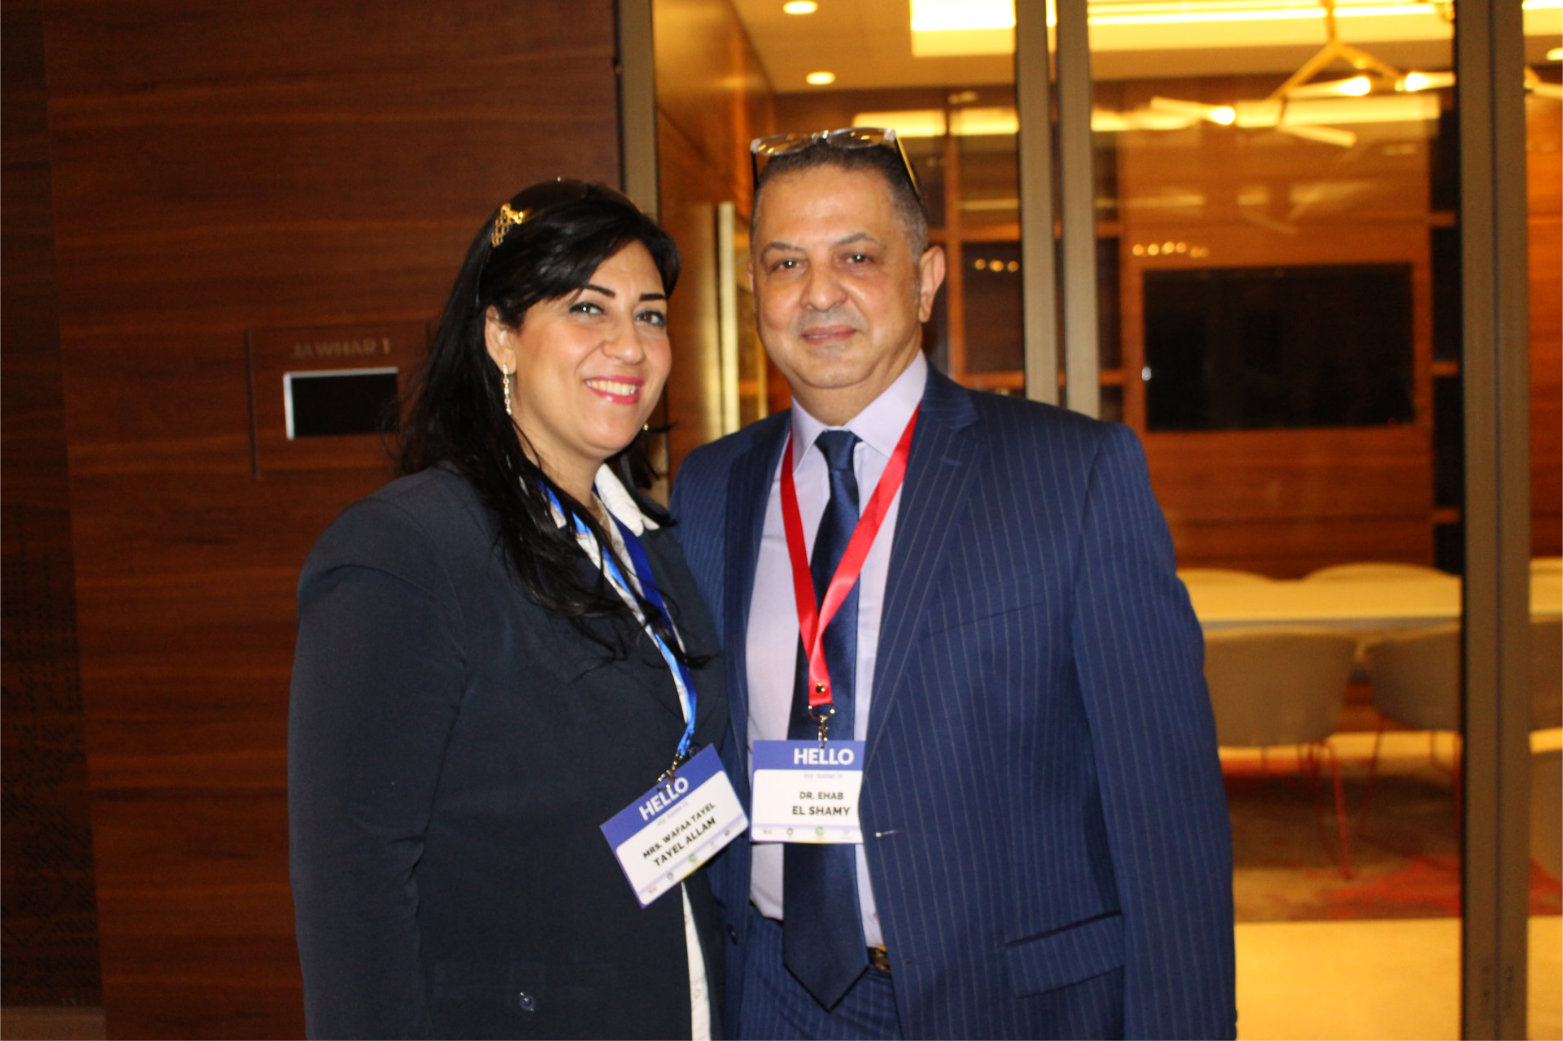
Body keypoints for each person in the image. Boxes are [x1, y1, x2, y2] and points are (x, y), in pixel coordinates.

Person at [670, 129, 1236, 1039]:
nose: (819, 292)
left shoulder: (1072, 476)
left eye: (857, 256)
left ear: (926, 279)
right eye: (785, 263)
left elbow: (1166, 820)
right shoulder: (709, 487)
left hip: (1007, 1003)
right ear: (755, 290)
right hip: (772, 992)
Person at [289, 179, 728, 1040]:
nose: (628, 345)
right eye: (587, 307)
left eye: (648, 315)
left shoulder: (651, 540)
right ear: (500, 335)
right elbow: (353, 882)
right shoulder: (407, 550)